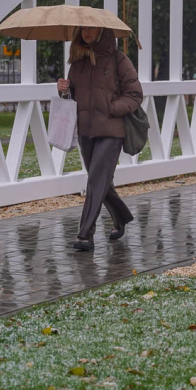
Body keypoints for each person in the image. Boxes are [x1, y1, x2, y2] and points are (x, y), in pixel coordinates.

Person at [57, 25, 143, 251]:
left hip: (112, 130)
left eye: (92, 29)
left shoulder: (119, 59)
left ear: (102, 32)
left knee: (95, 180)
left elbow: (135, 94)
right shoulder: (78, 61)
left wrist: (112, 108)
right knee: (101, 181)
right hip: (86, 130)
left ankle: (85, 234)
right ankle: (121, 216)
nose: (87, 32)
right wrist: (63, 90)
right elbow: (72, 96)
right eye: (83, 29)